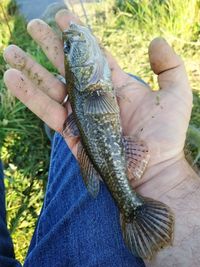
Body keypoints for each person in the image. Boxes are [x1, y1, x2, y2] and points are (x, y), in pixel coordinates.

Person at [1, 9, 200, 267]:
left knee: (66, 134)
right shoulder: (92, 81)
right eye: (71, 48)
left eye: (68, 47)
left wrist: (164, 174)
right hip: (112, 149)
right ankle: (60, 142)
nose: (70, 44)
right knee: (73, 130)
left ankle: (58, 139)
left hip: (105, 145)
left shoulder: (91, 83)